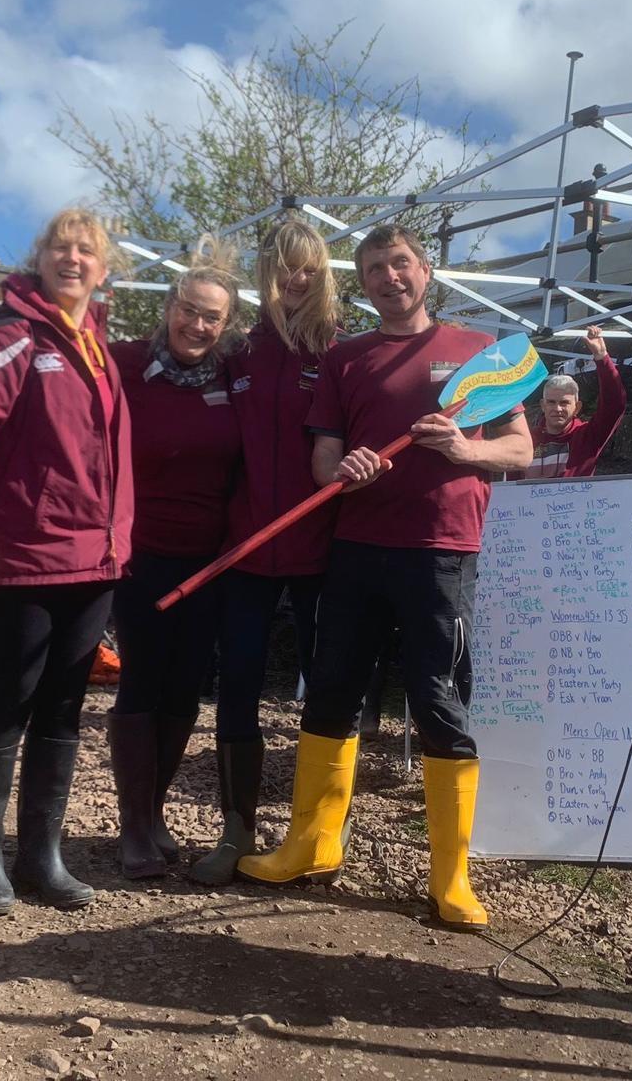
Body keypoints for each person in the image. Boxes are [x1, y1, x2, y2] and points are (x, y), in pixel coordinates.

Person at [236, 224, 533, 931]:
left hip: (442, 552)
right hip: (358, 549)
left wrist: (464, 447)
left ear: (426, 270)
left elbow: (520, 450)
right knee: (332, 690)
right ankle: (309, 846)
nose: (388, 278)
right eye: (373, 269)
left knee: (438, 699)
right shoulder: (346, 358)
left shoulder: (478, 352)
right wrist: (344, 471)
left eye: (399, 264)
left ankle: (450, 879)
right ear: (362, 282)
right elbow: (323, 460)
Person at [0, 208, 133, 917]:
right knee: (9, 699)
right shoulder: (6, 335)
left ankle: (42, 852)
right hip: (24, 556)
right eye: (60, 248)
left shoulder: (97, 343)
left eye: (86, 251)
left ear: (105, 269)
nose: (72, 259)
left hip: (93, 558)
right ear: (39, 257)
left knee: (65, 704)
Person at [191, 220, 340, 885]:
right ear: (267, 271)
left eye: (309, 267)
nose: (296, 279)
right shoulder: (238, 351)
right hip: (245, 549)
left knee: (327, 695)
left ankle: (315, 836)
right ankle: (236, 829)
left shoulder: (336, 350)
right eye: (286, 266)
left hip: (319, 551)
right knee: (239, 687)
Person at [106, 241, 245, 880]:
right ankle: (133, 825)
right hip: (140, 554)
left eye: (211, 317)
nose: (197, 325)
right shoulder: (126, 364)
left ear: (226, 325)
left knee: (186, 687)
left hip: (209, 562)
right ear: (169, 307)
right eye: (188, 310)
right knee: (142, 681)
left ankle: (155, 811)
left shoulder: (230, 377)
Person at [509, 325, 625, 479]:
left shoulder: (589, 437)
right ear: (543, 405)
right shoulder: (527, 441)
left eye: (564, 403)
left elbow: (614, 405)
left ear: (577, 407)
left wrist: (601, 357)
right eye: (551, 402)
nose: (557, 408)